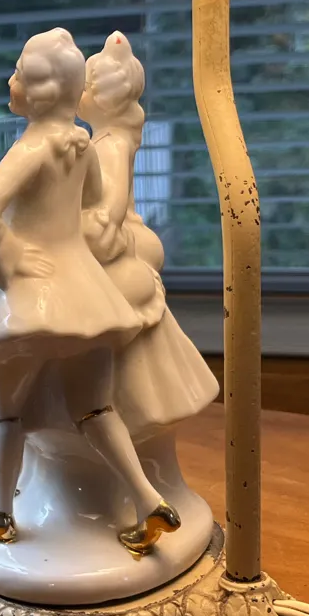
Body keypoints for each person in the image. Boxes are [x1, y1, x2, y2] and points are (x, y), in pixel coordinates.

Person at [0, 28, 179, 554]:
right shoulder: (81, 146)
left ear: (40, 91)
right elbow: (98, 209)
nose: (10, 81)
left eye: (18, 73)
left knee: (2, 408)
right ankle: (148, 499)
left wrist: (4, 259)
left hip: (30, 299)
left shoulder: (31, 148)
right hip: (84, 294)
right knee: (95, 409)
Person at [79, 33, 219, 445]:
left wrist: (99, 227)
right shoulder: (98, 140)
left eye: (84, 87)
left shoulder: (111, 145)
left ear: (101, 100)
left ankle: (126, 407)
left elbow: (113, 202)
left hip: (122, 238)